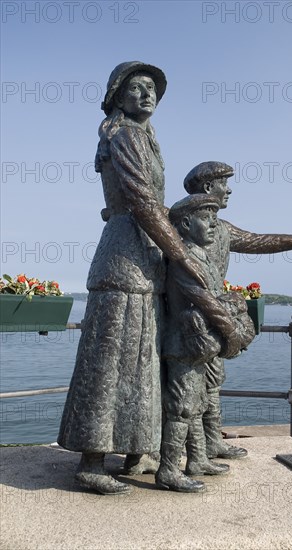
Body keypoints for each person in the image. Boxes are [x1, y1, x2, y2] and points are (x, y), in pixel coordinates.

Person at [58, 62, 208, 495]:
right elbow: (142, 202)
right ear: (117, 97)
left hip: (145, 257)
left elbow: (152, 206)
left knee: (141, 360)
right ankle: (90, 462)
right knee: (110, 361)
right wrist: (184, 256)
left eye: (151, 89)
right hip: (125, 258)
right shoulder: (124, 135)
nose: (147, 94)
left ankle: (134, 449)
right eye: (136, 88)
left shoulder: (144, 137)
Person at [184, 161, 292, 460]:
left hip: (214, 316)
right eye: (224, 183)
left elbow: (257, 241)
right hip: (189, 317)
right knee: (187, 389)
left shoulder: (223, 229)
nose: (229, 190)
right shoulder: (182, 222)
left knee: (213, 382)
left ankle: (211, 443)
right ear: (208, 187)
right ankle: (186, 452)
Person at [156, 194, 254, 493]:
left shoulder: (201, 256)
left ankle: (197, 460)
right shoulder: (184, 258)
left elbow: (215, 297)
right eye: (205, 217)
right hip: (185, 344)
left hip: (199, 346)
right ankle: (169, 470)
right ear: (185, 223)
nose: (213, 224)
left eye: (215, 217)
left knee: (195, 406)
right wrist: (233, 333)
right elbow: (205, 300)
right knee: (182, 409)